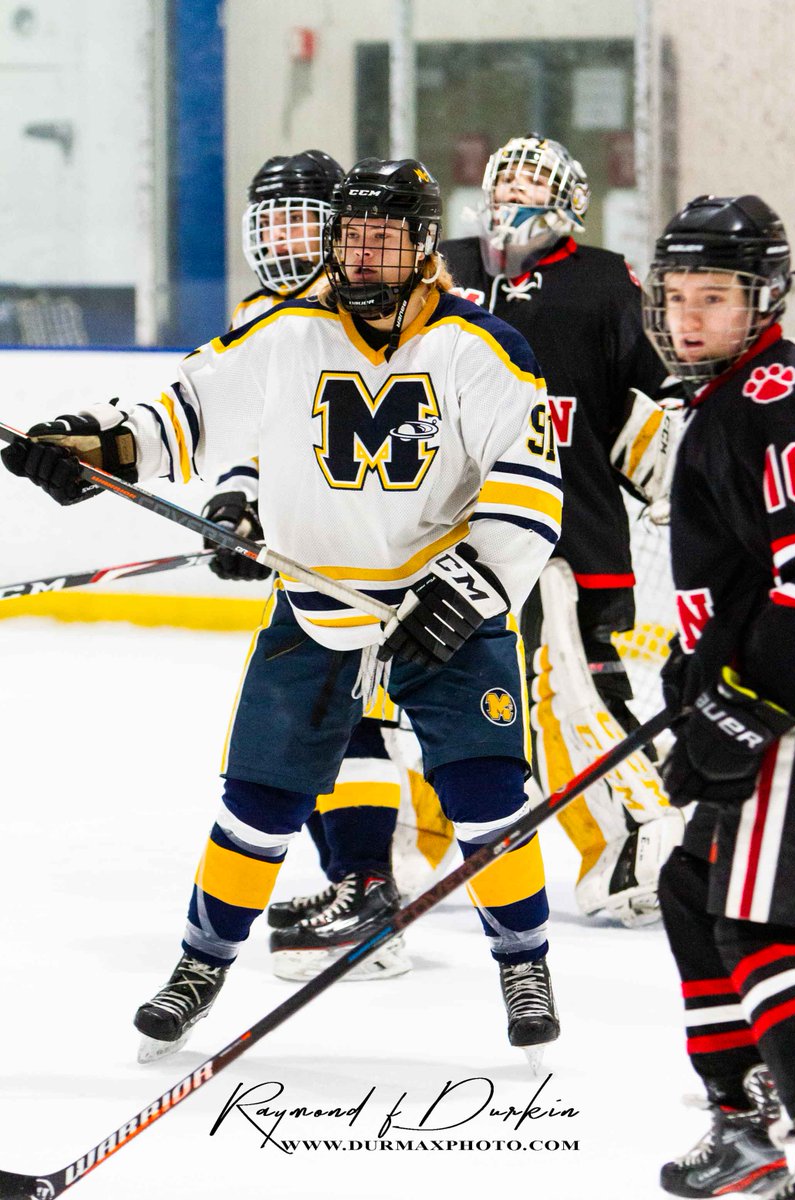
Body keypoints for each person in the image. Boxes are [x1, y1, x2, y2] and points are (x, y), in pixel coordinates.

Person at [2, 157, 563, 1071]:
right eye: (351, 237)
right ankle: (200, 964)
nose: (362, 255)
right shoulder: (288, 330)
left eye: (384, 238)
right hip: (317, 605)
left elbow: (530, 487)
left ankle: (525, 966)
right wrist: (94, 446)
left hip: (445, 608)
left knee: (488, 796)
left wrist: (468, 589)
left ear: (425, 245)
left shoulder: (483, 348)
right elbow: (182, 413)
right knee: (258, 802)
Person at [441, 133, 685, 927]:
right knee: (431, 704)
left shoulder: (605, 282)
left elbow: (664, 400)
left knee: (575, 705)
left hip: (572, 546)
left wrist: (681, 466)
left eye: (534, 181)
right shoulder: (445, 270)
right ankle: (389, 856)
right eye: (506, 179)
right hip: (443, 545)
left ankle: (636, 848)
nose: (515, 192)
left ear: (571, 200)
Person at [201, 148, 417, 983]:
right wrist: (238, 503)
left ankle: (370, 897)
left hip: (385, 555)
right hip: (316, 562)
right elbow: (254, 430)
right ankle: (359, 890)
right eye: (276, 222)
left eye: (305, 221)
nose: (289, 240)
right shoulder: (265, 316)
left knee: (355, 723)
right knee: (316, 723)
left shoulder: (377, 311)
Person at [642, 193, 795, 1198]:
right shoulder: (720, 399)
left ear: (763, 298)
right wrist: (692, 680)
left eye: (713, 296)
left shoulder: (774, 399)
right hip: (750, 695)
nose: (689, 316)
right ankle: (742, 1118)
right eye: (675, 296)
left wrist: (744, 706)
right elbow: (733, 573)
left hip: (784, 714)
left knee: (757, 927)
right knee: (690, 890)